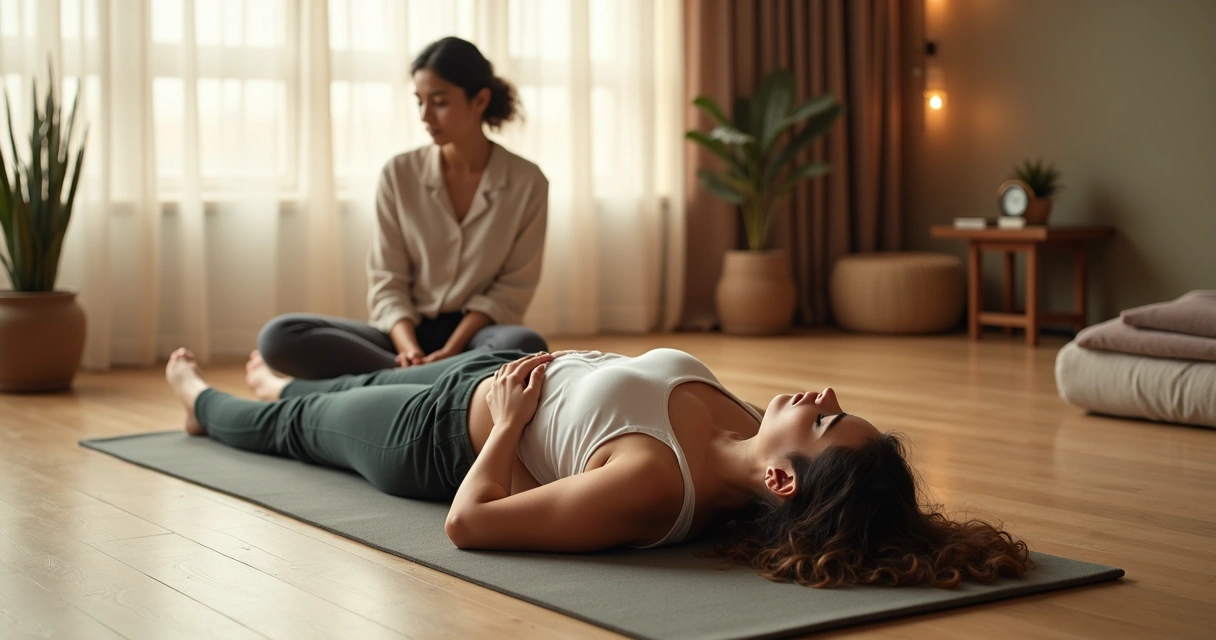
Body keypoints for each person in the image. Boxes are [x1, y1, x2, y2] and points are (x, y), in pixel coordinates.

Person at [165, 346, 1033, 589]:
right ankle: (283, 380)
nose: (826, 394)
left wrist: (509, 425)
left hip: (438, 437)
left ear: (782, 480)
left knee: (294, 427)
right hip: (494, 373)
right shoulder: (748, 429)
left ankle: (202, 400)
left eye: (828, 419)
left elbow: (468, 524)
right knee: (338, 383)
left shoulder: (655, 485)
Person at [257, 36, 549, 380]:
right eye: (419, 101)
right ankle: (438, 380)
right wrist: (409, 351)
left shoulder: (528, 182)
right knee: (279, 337)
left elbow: (511, 290)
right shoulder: (399, 174)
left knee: (525, 344)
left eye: (439, 102)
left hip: (476, 338)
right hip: (400, 335)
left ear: (480, 100)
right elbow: (388, 278)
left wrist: (451, 350)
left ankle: (397, 382)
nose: (425, 115)